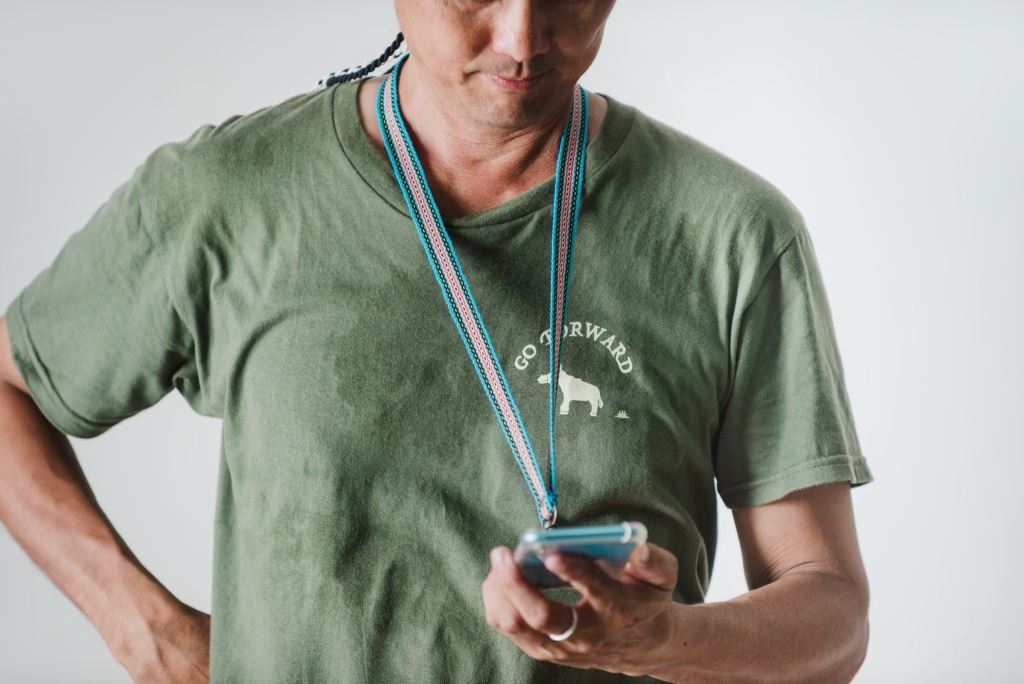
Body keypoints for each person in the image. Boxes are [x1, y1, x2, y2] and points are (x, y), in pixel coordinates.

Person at [0, 1, 875, 682]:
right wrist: (147, 633)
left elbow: (832, 617)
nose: (524, 39)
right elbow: (10, 386)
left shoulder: (732, 234)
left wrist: (664, 641)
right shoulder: (226, 198)